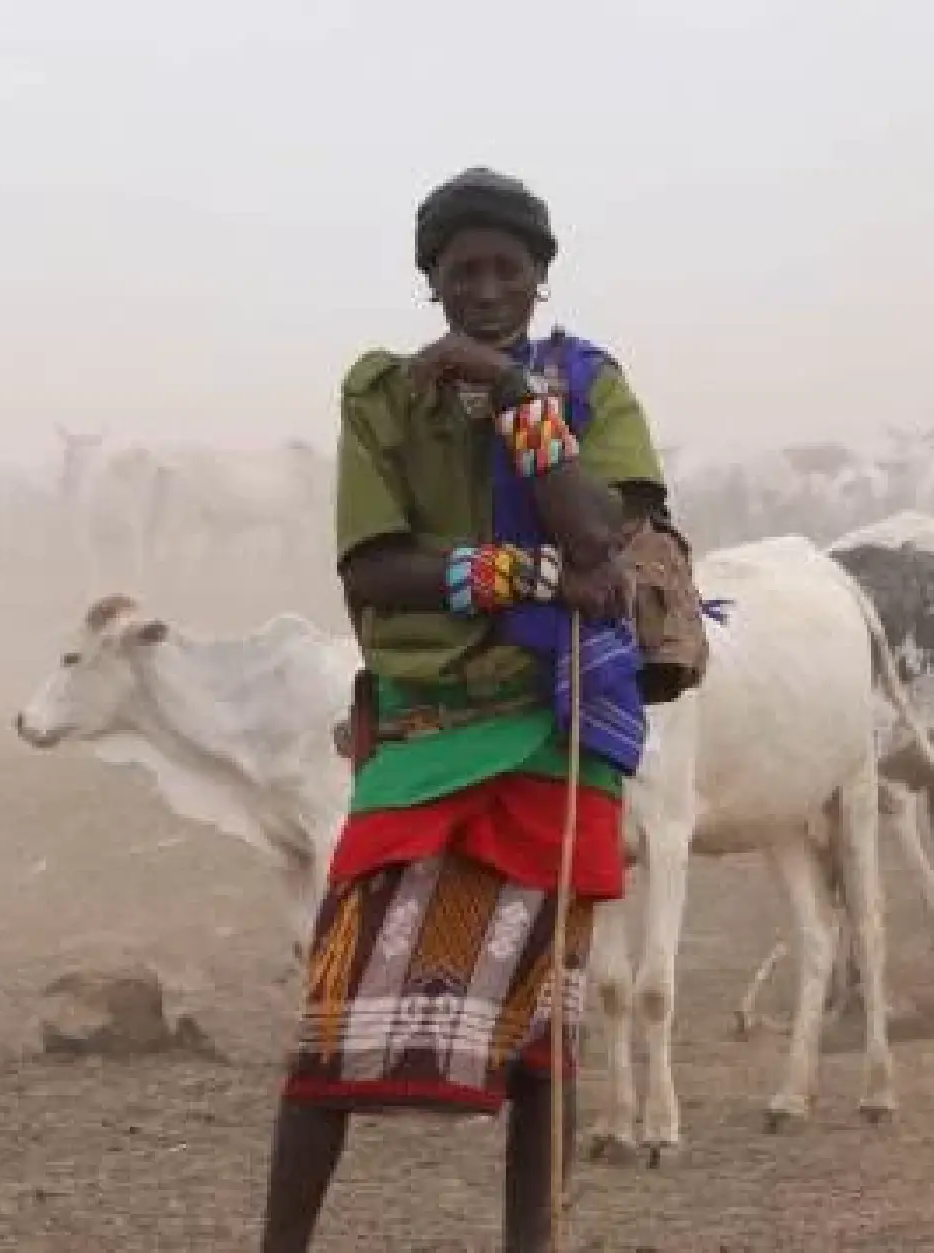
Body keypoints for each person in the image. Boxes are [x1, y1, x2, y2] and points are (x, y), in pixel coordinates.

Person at [257, 167, 669, 1253]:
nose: (485, 288)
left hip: (553, 731)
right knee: (333, 1021)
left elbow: (601, 541)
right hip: (423, 733)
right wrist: (530, 579)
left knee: (541, 1040)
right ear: (428, 282)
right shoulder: (382, 395)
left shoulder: (588, 386)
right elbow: (375, 569)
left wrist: (519, 402)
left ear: (541, 278)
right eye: (461, 272)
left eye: (507, 269)